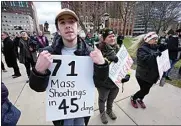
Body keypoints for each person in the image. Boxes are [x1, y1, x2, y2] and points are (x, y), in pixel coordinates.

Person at [29, 8, 109, 126]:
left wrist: (102, 65)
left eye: (71, 22)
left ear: (78, 27)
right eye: (62, 22)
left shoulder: (90, 53)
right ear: (58, 30)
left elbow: (100, 82)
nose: (68, 26)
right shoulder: (47, 54)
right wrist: (38, 71)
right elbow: (37, 87)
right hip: (60, 113)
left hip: (81, 110)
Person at [97, 28, 130, 124]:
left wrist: (127, 75)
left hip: (115, 82)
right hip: (103, 83)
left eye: (113, 36)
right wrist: (107, 59)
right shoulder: (99, 50)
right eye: (109, 36)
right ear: (104, 39)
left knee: (111, 98)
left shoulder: (119, 48)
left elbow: (125, 63)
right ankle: (102, 113)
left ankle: (109, 111)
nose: (112, 38)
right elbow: (96, 67)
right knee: (102, 99)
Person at [130, 32, 167, 109]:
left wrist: (163, 48)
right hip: (142, 75)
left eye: (156, 39)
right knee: (145, 90)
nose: (156, 41)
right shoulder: (141, 49)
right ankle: (133, 98)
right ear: (148, 39)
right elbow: (145, 59)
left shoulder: (154, 47)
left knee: (145, 90)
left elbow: (159, 54)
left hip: (152, 75)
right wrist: (155, 54)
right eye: (154, 39)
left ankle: (140, 99)